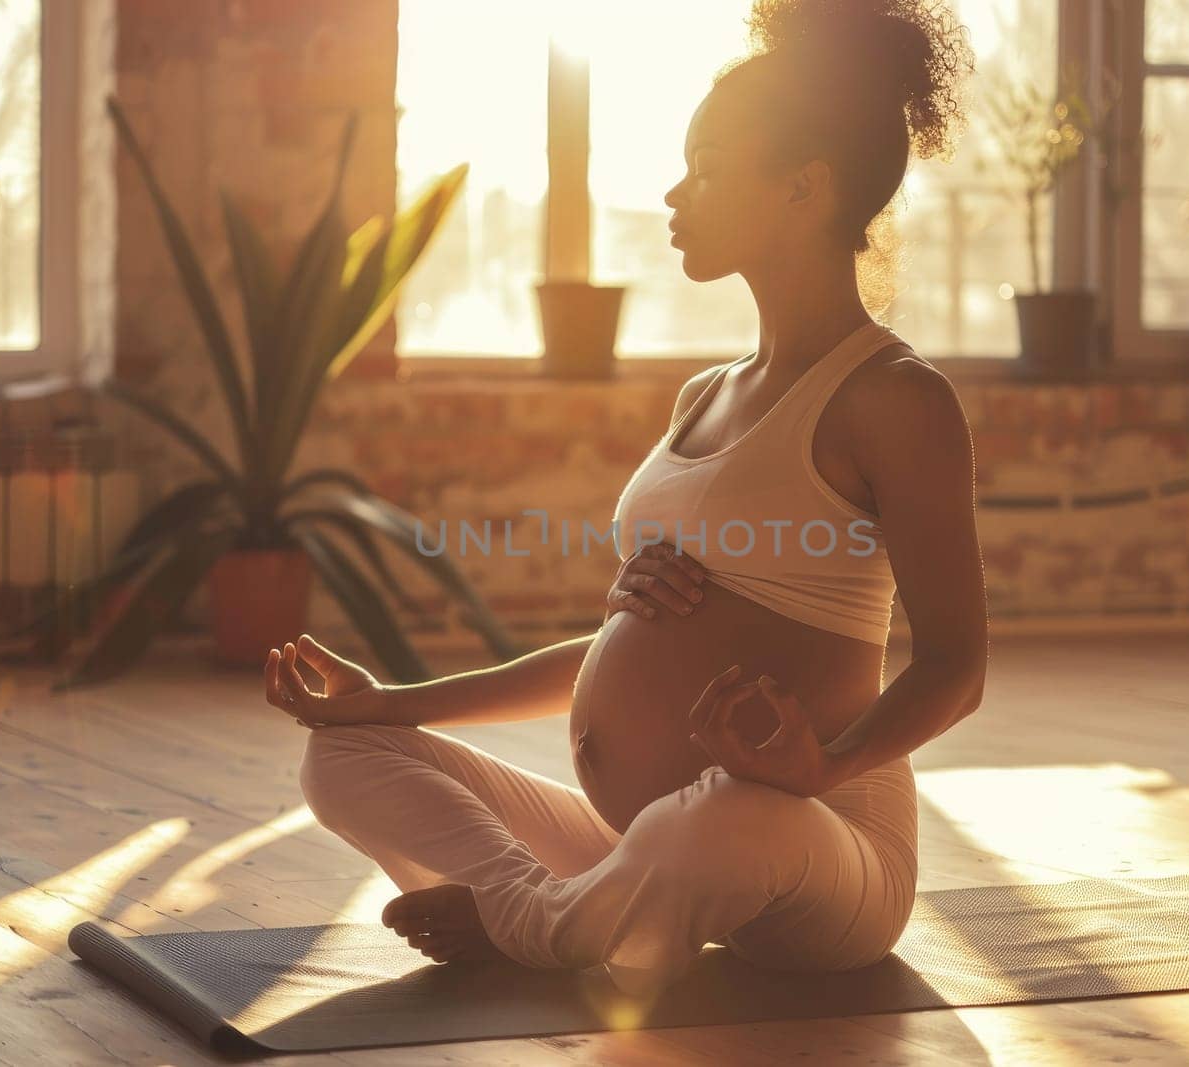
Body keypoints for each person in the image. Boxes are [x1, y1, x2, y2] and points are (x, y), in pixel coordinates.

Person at [272, 0, 987, 998]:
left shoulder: (894, 398)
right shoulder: (705, 395)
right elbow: (622, 649)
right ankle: (573, 910)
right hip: (639, 840)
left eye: (705, 164)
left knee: (719, 818)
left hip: (809, 845)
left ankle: (527, 916)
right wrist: (392, 702)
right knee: (343, 755)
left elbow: (956, 667)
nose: (672, 190)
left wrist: (819, 768)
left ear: (802, 187)